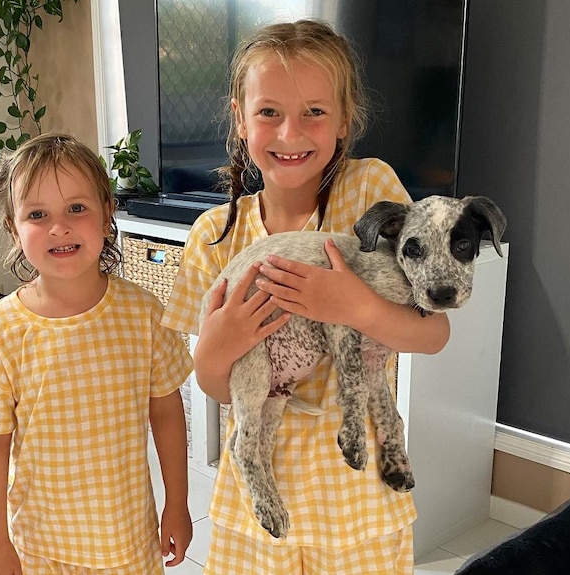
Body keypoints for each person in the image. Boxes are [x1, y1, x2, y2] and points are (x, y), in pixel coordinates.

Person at [161, 20, 450, 575]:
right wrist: (219, 345)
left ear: (345, 119)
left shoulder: (371, 193)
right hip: (256, 510)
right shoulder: (214, 237)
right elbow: (217, 386)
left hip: (357, 502)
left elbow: (433, 334)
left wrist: (354, 306)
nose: (290, 133)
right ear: (240, 118)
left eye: (314, 112)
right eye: (269, 111)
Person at [0, 133, 194, 575]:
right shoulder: (2, 330)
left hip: (129, 541)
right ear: (13, 227)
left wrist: (176, 502)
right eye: (37, 214)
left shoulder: (143, 314)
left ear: (107, 216)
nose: (58, 227)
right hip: (41, 549)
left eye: (76, 209)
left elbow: (167, 411)